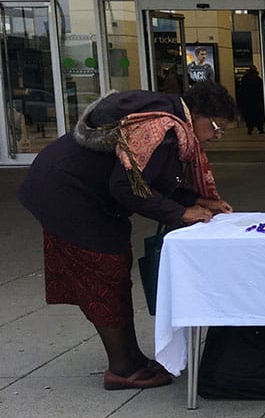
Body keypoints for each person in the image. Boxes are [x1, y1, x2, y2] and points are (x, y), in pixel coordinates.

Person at [18, 82, 236, 390]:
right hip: (68, 194)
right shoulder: (165, 130)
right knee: (105, 274)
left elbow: (149, 178)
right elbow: (126, 187)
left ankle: (132, 358)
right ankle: (122, 368)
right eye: (216, 127)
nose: (217, 136)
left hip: (67, 186)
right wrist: (180, 213)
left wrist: (196, 200)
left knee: (115, 271)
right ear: (197, 114)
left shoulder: (169, 120)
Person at [237, 64, 265, 135]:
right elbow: (261, 89)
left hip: (248, 101)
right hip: (257, 100)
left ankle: (250, 128)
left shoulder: (245, 79)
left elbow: (242, 90)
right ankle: (260, 128)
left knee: (250, 116)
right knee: (259, 115)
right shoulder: (257, 79)